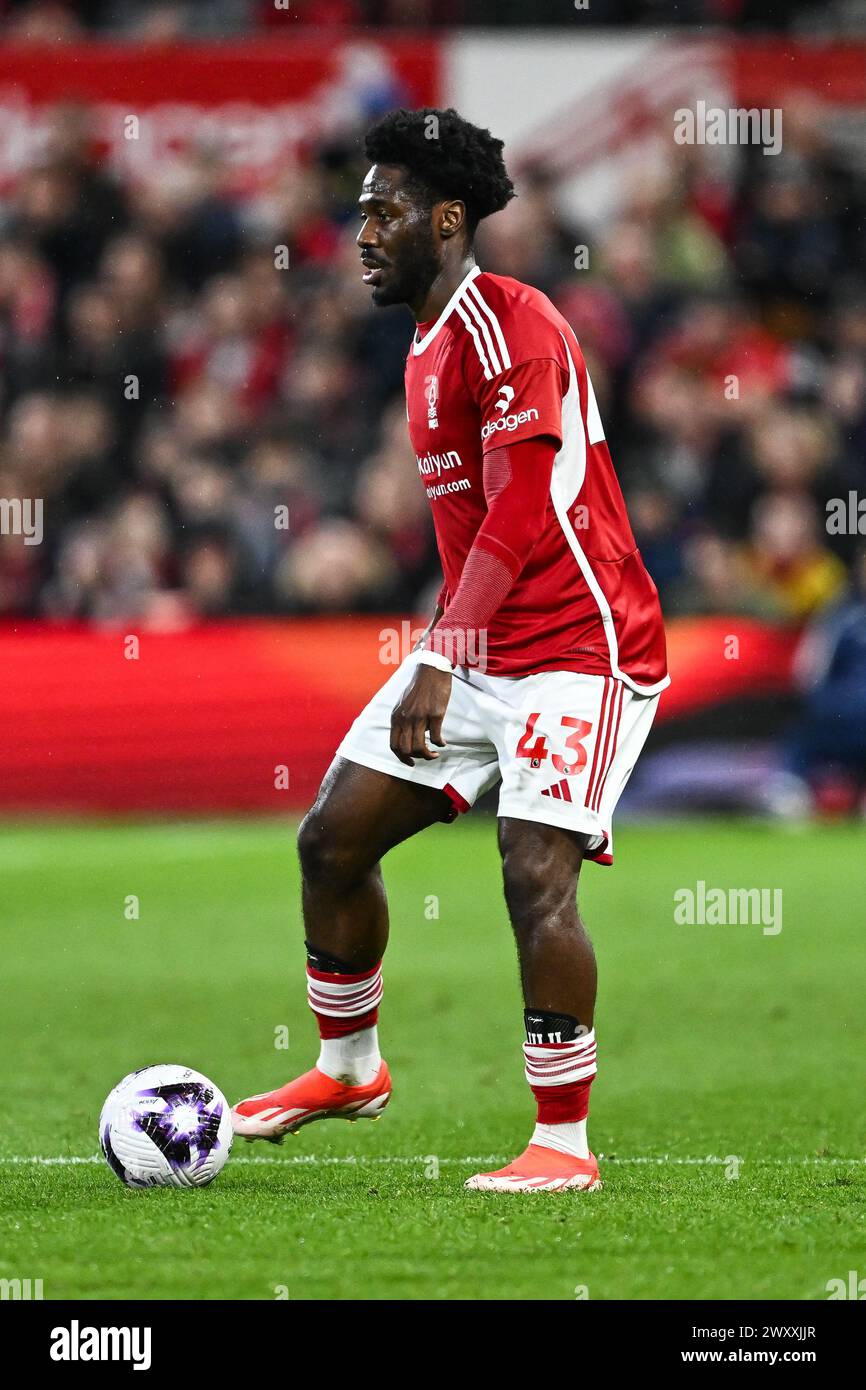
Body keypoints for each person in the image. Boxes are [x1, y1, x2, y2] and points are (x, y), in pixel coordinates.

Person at [233, 108, 669, 1194]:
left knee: (533, 870)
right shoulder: (426, 344)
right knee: (331, 838)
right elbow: (475, 535)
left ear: (445, 216)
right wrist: (453, 650)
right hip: (480, 652)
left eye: (381, 211)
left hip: (583, 646)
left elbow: (520, 516)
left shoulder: (509, 325)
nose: (360, 231)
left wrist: (439, 651)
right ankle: (349, 1070)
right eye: (357, 211)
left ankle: (561, 1144)